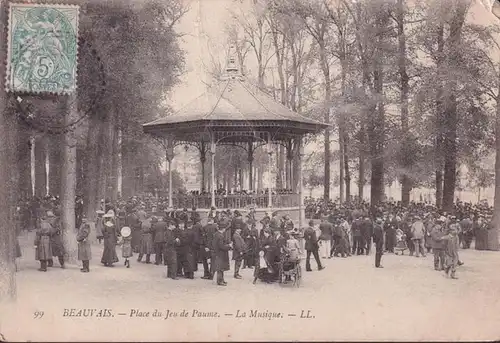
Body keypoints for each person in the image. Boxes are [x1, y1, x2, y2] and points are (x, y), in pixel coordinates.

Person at [213, 220, 233, 286]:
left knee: (221, 268)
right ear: (223, 229)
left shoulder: (216, 234)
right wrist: (229, 246)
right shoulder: (220, 236)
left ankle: (222, 280)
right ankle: (220, 281)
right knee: (220, 268)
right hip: (221, 254)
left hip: (217, 253)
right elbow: (222, 246)